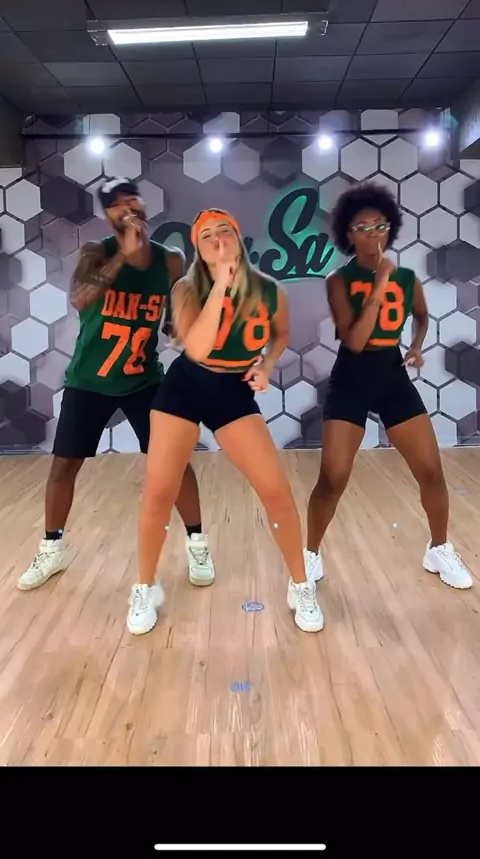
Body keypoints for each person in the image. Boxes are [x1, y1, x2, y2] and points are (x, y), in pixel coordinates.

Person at [126, 208, 323, 635]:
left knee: (276, 490)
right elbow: (197, 348)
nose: (218, 241)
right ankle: (144, 586)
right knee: (159, 491)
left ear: (238, 236)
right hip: (185, 387)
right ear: (198, 249)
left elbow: (281, 334)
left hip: (232, 391)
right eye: (207, 236)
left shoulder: (269, 291)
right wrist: (220, 286)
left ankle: (300, 585)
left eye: (225, 232)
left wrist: (266, 364)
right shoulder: (186, 289)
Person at [18, 177, 214, 592]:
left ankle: (198, 543)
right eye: (115, 204)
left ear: (143, 203)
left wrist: (184, 327)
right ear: (107, 216)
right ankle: (52, 548)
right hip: (89, 380)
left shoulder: (171, 260)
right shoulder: (96, 252)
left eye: (131, 199)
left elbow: (173, 318)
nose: (126, 208)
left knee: (174, 461)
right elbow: (80, 299)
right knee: (64, 465)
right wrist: (123, 257)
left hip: (144, 380)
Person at [305, 182, 472, 599]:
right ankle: (309, 554)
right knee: (333, 478)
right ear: (348, 234)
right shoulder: (339, 281)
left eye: (379, 225)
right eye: (362, 227)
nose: (372, 234)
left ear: (390, 228)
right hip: (352, 377)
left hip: (391, 374)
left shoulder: (407, 278)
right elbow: (355, 340)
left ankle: (439, 549)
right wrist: (379, 286)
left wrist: (415, 347)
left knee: (430, 470)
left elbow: (421, 314)